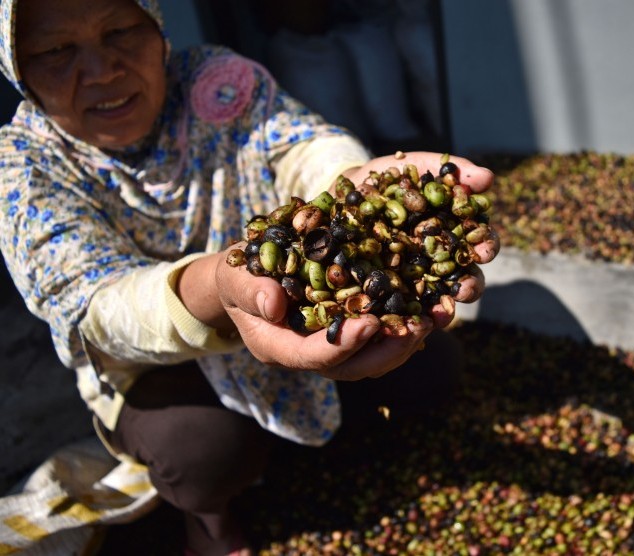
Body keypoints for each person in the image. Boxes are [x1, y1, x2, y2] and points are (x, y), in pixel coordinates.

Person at [0, 0, 494, 554]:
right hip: (160, 366)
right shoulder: (22, 167)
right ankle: (208, 519)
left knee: (430, 366)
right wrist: (215, 287)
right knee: (202, 451)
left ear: (158, 31)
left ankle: (309, 448)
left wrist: (351, 182)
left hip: (289, 311)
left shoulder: (214, 83)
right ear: (18, 70)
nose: (102, 69)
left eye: (119, 31)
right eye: (56, 51)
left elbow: (300, 144)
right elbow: (98, 307)